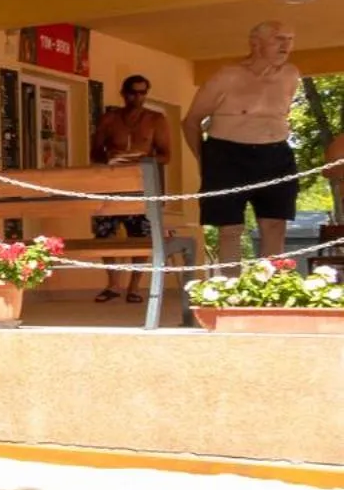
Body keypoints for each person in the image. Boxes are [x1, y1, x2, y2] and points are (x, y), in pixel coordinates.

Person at [183, 20, 301, 270]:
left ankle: (272, 294)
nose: (286, 45)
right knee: (230, 228)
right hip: (228, 155)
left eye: (290, 39)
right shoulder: (227, 76)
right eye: (278, 39)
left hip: (276, 155)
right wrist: (205, 164)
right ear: (256, 43)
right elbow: (191, 121)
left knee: (275, 225)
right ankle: (230, 293)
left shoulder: (291, 74)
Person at [90, 73, 172, 303]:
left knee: (141, 236)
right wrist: (112, 159)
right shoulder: (110, 119)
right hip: (112, 184)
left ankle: (135, 287)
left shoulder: (156, 119)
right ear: (124, 94)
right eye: (133, 92)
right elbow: (95, 152)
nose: (138, 97)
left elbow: (166, 155)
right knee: (105, 233)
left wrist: (142, 158)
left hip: (142, 183)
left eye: (143, 92)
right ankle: (113, 283)